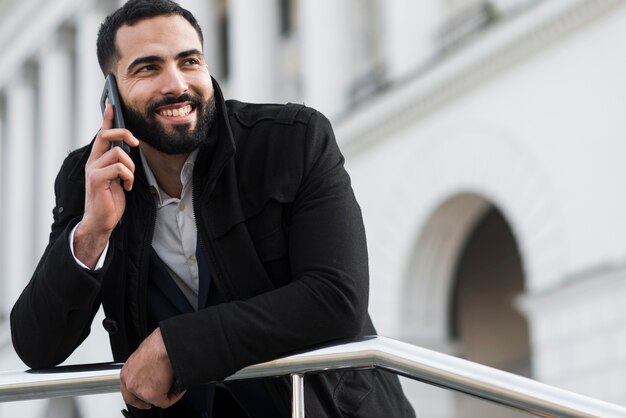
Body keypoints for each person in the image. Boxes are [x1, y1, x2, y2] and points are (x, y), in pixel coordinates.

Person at [10, 0, 416, 417]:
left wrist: (178, 346)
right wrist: (93, 232)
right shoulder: (89, 177)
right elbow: (37, 345)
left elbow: (337, 300)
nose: (176, 84)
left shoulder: (293, 140)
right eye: (148, 68)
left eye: (189, 61)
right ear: (110, 95)